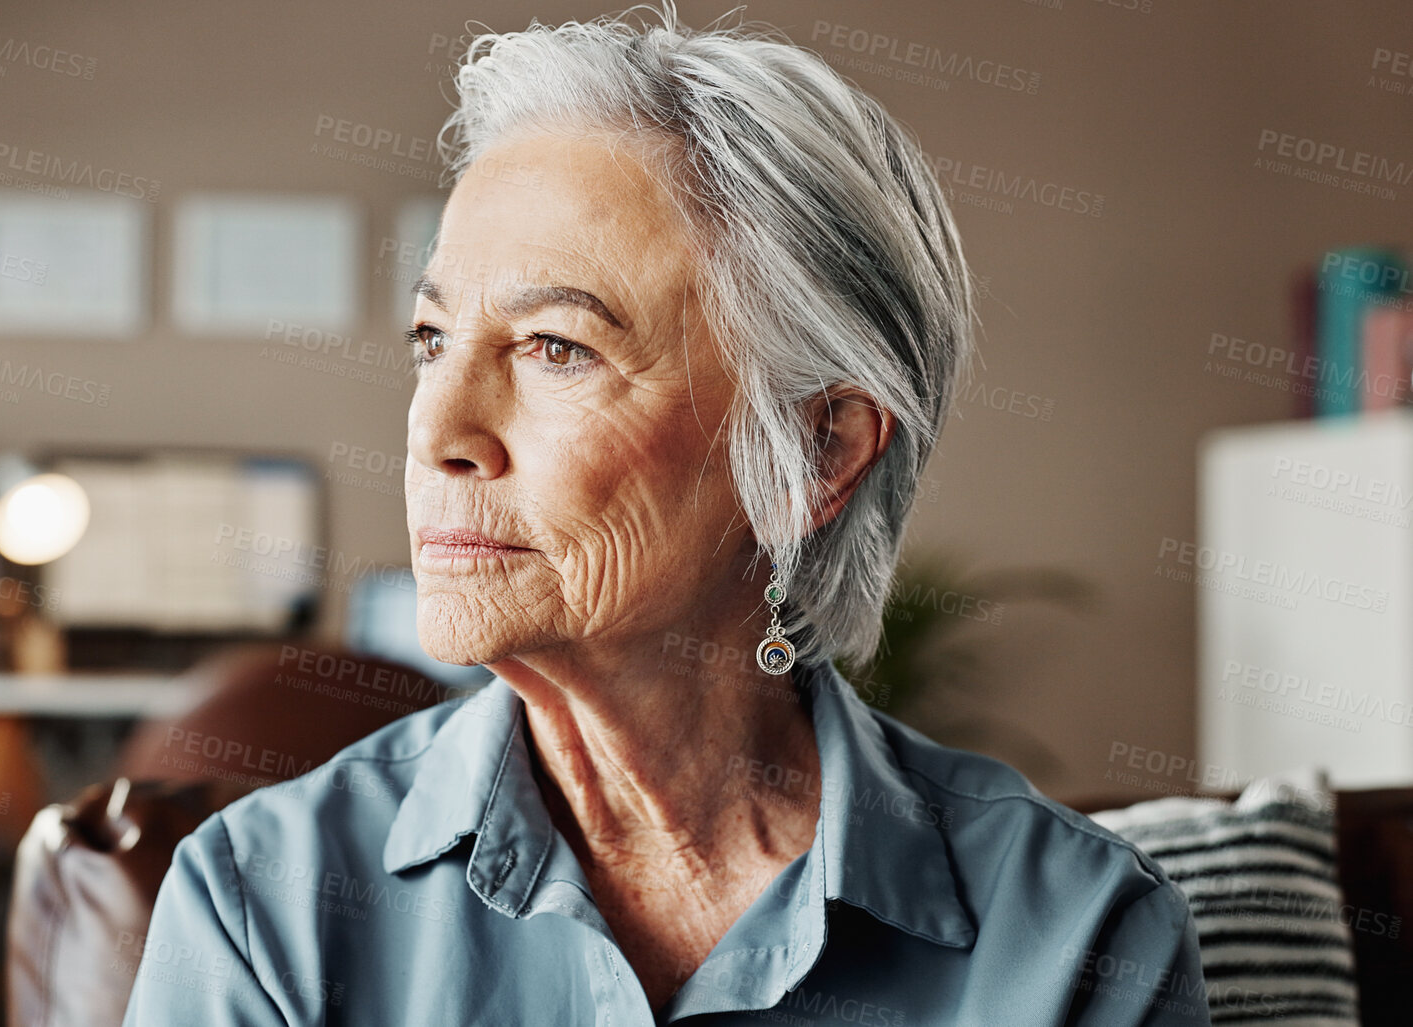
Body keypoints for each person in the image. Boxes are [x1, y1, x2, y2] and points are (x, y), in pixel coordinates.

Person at [124, 7, 1207, 1024]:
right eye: (431, 340)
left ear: (815, 451)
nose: (435, 430)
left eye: (557, 348)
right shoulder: (258, 903)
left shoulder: (1077, 933)